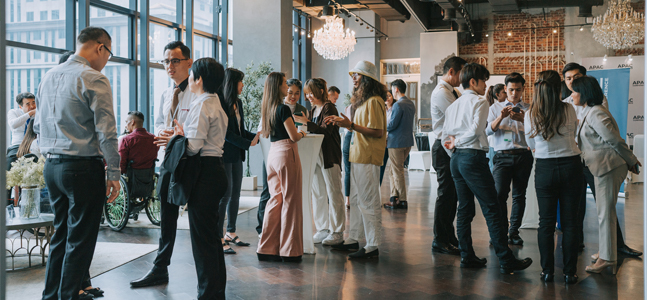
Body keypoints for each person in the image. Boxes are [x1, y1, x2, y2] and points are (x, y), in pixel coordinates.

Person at [35, 26, 121, 300]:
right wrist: (115, 172)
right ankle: (68, 296)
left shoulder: (48, 76)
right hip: (82, 168)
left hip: (52, 168)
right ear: (100, 47)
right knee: (80, 242)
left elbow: (38, 125)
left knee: (61, 236)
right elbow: (106, 132)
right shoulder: (93, 78)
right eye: (109, 54)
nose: (107, 60)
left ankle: (50, 296)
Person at [442, 63, 532, 273]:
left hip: (456, 159)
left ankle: (467, 255)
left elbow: (445, 137)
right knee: (491, 208)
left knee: (464, 209)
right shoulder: (480, 102)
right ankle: (506, 259)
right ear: (473, 81)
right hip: (472, 157)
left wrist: (455, 149)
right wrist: (463, 144)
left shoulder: (453, 105)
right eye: (484, 81)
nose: (486, 86)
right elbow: (476, 131)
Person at [130, 41, 197, 288]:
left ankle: (206, 277)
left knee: (198, 221)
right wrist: (164, 132)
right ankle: (160, 268)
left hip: (191, 161)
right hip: (169, 161)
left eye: (174, 60)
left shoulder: (198, 92)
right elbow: (159, 121)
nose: (169, 65)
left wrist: (179, 136)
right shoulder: (167, 93)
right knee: (166, 218)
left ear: (188, 63)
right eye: (166, 61)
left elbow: (200, 129)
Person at [562, 62, 642, 257]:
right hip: (575, 159)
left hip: (597, 162)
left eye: (576, 77)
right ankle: (581, 244)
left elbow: (608, 135)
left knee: (604, 207)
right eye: (568, 78)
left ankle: (614, 249)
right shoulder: (565, 103)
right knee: (577, 205)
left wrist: (631, 159)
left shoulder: (596, 104)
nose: (572, 82)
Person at [524, 70, 582, 284]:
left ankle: (547, 271)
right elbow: (574, 133)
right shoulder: (569, 108)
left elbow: (531, 146)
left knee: (546, 223)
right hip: (571, 166)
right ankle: (570, 273)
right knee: (570, 224)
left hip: (545, 168)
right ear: (559, 88)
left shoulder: (530, 113)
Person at [325, 60, 386, 259]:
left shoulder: (375, 101)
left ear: (367, 79)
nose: (354, 78)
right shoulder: (363, 102)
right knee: (359, 200)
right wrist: (347, 124)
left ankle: (372, 245)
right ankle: (354, 239)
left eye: (357, 75)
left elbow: (378, 132)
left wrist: (350, 125)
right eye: (353, 75)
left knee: (368, 201)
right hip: (359, 155)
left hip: (368, 156)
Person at [257, 72, 307, 262]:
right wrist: (302, 133)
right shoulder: (283, 109)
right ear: (278, 86)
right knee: (291, 202)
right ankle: (290, 251)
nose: (287, 87)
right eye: (285, 84)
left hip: (273, 155)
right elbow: (293, 136)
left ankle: (266, 248)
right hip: (287, 153)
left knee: (275, 200)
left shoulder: (267, 108)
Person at [293, 78, 345, 246]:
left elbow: (326, 131)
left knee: (334, 192)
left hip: (329, 156)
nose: (308, 96)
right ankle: (322, 228)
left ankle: (337, 231)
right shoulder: (314, 109)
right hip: (316, 155)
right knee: (318, 193)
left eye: (311, 93)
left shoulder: (329, 107)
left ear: (321, 91)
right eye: (306, 93)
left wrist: (307, 123)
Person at [485, 73, 533, 246]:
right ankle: (500, 233)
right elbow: (488, 131)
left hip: (523, 156)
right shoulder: (494, 108)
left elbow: (535, 131)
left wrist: (523, 119)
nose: (514, 93)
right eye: (511, 89)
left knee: (519, 196)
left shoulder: (529, 109)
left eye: (518, 90)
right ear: (505, 89)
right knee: (499, 196)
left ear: (523, 90)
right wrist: (501, 117)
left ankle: (514, 232)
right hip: (501, 157)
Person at [429, 56, 466, 256]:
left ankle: (449, 237)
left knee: (452, 196)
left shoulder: (454, 91)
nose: (463, 77)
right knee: (445, 195)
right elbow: (460, 117)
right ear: (451, 71)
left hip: (450, 147)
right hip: (443, 148)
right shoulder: (441, 93)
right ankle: (439, 239)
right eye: (461, 73)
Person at [220, 68, 259, 254]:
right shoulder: (221, 102)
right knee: (225, 194)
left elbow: (240, 130)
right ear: (232, 83)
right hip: (224, 154)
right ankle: (218, 236)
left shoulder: (238, 102)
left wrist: (256, 136)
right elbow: (226, 134)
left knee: (236, 193)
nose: (243, 85)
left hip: (236, 155)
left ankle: (231, 232)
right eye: (240, 81)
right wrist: (247, 143)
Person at [384, 79, 416, 209]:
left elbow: (392, 125)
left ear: (396, 89)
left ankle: (402, 200)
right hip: (407, 142)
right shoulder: (411, 104)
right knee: (393, 170)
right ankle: (394, 197)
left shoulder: (398, 105)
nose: (391, 91)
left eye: (392, 89)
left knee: (397, 171)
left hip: (396, 142)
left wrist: (381, 125)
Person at [379, 90, 395, 185]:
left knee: (393, 169)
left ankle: (395, 195)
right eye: (385, 96)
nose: (387, 98)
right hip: (383, 142)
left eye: (389, 96)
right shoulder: (382, 110)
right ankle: (377, 190)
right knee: (381, 168)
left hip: (392, 141)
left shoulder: (396, 109)